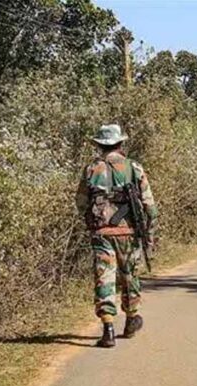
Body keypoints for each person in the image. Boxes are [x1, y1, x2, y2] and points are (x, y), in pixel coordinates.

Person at [76, 124, 158, 348]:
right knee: (130, 276)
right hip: (128, 233)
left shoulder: (91, 170)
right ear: (120, 143)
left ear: (100, 145)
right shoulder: (134, 167)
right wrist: (149, 235)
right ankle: (131, 320)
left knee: (104, 277)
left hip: (101, 233)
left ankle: (108, 329)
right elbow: (150, 207)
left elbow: (81, 203)